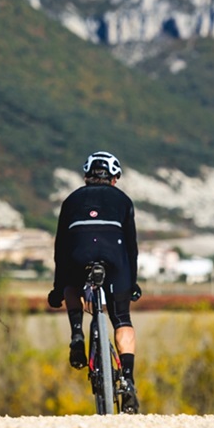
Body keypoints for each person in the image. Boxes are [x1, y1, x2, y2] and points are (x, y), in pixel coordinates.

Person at [47, 150, 142, 413]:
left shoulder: (71, 200)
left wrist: (58, 288)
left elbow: (60, 248)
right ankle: (128, 382)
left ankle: (77, 334)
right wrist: (131, 282)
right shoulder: (123, 200)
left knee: (71, 284)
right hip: (115, 259)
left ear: (87, 175)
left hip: (79, 255)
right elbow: (131, 248)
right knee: (122, 319)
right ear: (114, 177)